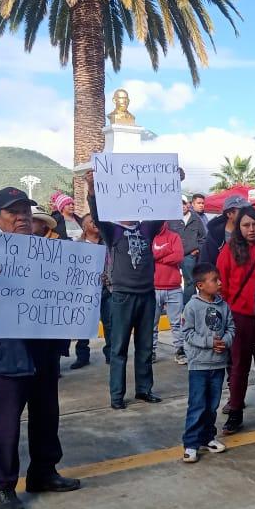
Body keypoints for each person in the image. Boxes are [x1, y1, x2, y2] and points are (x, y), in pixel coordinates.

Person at [0, 186, 81, 509]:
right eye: (13, 212)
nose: (21, 218)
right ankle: (1, 486)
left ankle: (43, 472)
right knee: (6, 422)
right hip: (8, 352)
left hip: (43, 347)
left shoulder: (50, 252)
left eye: (26, 212)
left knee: (47, 413)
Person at [86, 175, 164, 408]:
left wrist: (173, 181)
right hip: (122, 296)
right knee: (119, 348)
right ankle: (117, 396)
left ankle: (144, 389)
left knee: (145, 346)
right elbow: (97, 214)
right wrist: (92, 189)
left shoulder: (147, 229)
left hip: (147, 295)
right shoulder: (113, 231)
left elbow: (162, 207)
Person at [218, 207, 255, 434]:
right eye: (245, 225)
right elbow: (221, 285)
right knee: (238, 367)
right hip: (239, 318)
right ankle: (235, 413)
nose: (251, 229)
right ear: (238, 227)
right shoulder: (229, 251)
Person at [180, 263, 236, 463]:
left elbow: (231, 328)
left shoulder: (223, 305)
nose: (220, 283)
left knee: (212, 405)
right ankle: (191, 443)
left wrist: (226, 342)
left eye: (219, 279)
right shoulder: (192, 306)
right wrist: (209, 343)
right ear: (200, 285)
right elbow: (187, 333)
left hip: (218, 364)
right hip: (199, 366)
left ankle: (208, 437)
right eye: (214, 280)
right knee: (197, 405)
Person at [71, 214, 112, 369]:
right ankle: (82, 356)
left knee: (109, 324)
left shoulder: (107, 243)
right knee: (84, 324)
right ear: (84, 227)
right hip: (85, 291)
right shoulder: (77, 246)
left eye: (96, 221)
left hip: (106, 290)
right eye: (91, 221)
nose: (95, 223)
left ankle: (110, 354)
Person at [152, 222, 186, 365]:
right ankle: (151, 351)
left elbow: (178, 256)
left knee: (177, 322)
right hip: (153, 288)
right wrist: (167, 252)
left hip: (173, 287)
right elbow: (148, 256)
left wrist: (157, 258)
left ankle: (180, 350)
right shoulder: (148, 237)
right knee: (151, 324)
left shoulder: (174, 236)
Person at [170, 197, 206, 306]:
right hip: (173, 255)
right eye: (180, 204)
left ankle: (187, 307)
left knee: (190, 281)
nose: (182, 206)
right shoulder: (170, 219)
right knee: (173, 282)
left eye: (184, 203)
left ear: (189, 204)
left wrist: (196, 250)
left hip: (189, 256)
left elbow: (203, 237)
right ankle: (175, 305)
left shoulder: (196, 218)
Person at [200, 196, 250, 267]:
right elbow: (206, 264)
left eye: (248, 209)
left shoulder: (250, 231)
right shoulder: (215, 235)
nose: (247, 213)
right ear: (229, 214)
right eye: (243, 211)